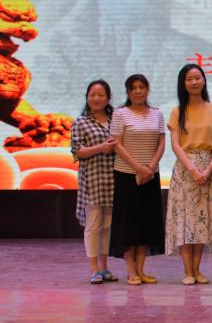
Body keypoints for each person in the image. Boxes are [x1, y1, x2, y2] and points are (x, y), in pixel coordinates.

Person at [165, 64, 212, 285]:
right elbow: (175, 145)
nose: (194, 82)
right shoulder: (177, 111)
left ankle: (197, 270)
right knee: (184, 219)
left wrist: (208, 170)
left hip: (209, 168)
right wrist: (192, 169)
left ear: (204, 80)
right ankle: (187, 271)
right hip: (184, 169)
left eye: (197, 78)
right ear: (183, 83)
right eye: (189, 79)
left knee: (201, 220)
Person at [108, 74, 166, 285]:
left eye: (142, 87)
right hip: (126, 175)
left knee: (147, 223)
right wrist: (138, 168)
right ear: (128, 91)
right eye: (134, 88)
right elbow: (116, 144)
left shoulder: (157, 113)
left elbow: (161, 143)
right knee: (128, 223)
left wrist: (149, 168)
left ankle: (141, 270)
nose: (139, 91)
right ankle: (131, 271)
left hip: (151, 175)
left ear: (148, 90)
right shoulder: (120, 113)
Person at [71, 79, 118, 284]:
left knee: (107, 227)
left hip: (113, 179)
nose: (96, 98)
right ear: (87, 97)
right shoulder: (80, 122)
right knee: (93, 226)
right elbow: (77, 151)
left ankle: (105, 268)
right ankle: (94, 270)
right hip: (92, 180)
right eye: (92, 95)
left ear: (108, 98)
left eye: (101, 95)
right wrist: (100, 148)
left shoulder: (115, 120)